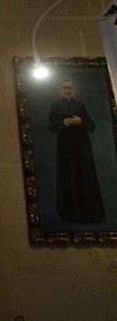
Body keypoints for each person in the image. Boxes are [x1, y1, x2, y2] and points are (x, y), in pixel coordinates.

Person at [48, 78, 105, 223]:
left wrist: (81, 121)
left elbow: (91, 127)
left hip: (82, 148)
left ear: (73, 89)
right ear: (61, 90)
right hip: (65, 149)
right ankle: (69, 215)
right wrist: (63, 122)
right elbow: (51, 127)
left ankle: (90, 214)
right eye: (65, 88)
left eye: (70, 88)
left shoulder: (80, 105)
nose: (67, 91)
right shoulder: (55, 106)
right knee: (68, 176)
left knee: (85, 176)